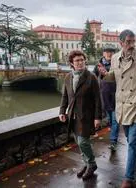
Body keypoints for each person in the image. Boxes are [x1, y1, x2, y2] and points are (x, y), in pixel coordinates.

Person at [98, 29, 136, 188]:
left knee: (132, 142)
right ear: (121, 43)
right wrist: (105, 74)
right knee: (131, 140)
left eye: (133, 41)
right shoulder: (115, 58)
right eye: (128, 42)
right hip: (122, 106)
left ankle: (128, 178)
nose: (131, 45)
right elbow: (114, 76)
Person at [58, 50, 102, 180]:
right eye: (77, 60)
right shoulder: (68, 77)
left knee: (83, 142)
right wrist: (62, 111)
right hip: (73, 116)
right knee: (78, 141)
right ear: (71, 63)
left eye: (82, 60)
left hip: (87, 116)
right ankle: (87, 163)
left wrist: (98, 117)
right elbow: (65, 96)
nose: (80, 62)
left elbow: (97, 99)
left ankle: (92, 164)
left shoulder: (91, 77)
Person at [93, 45, 119, 152]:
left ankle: (113, 141)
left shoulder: (117, 65)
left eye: (111, 52)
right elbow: (93, 80)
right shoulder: (98, 66)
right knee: (110, 120)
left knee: (115, 120)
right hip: (104, 98)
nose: (109, 54)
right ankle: (113, 139)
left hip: (116, 98)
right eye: (107, 52)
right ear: (103, 53)